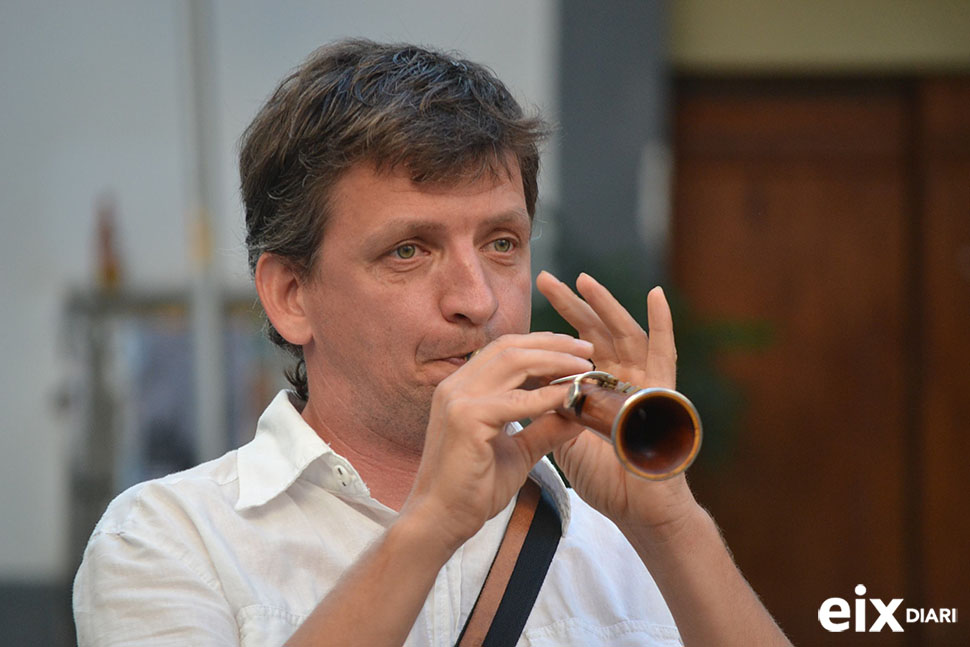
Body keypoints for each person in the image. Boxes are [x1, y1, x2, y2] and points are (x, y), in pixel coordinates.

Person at [73, 39, 791, 646]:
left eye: (502, 243)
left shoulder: (618, 546)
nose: (478, 300)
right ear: (292, 296)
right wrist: (432, 522)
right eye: (410, 250)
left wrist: (668, 522)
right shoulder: (166, 538)